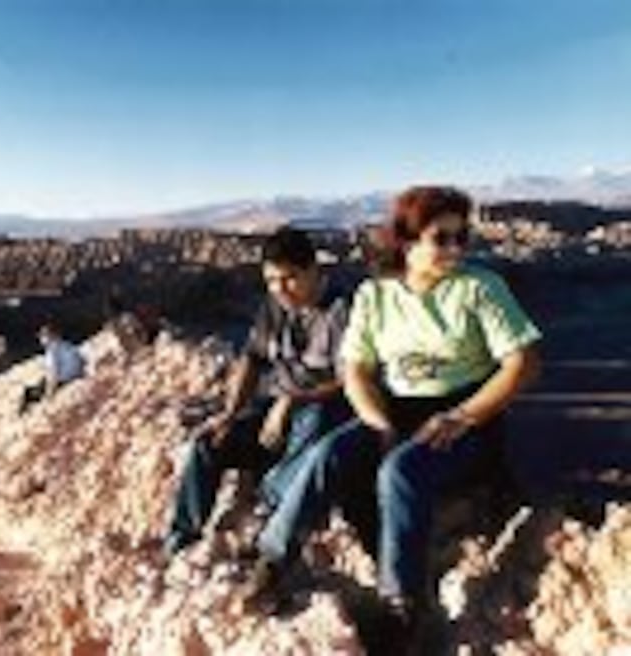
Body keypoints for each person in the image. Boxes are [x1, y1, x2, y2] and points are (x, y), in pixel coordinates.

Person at [283, 186, 541, 642]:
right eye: (442, 239)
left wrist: (461, 417)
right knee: (328, 453)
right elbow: (355, 368)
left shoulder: (479, 287)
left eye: (463, 238)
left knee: (401, 470)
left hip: (466, 414)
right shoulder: (374, 296)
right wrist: (378, 422)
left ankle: (402, 606)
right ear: (406, 241)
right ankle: (273, 559)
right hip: (395, 408)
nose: (456, 249)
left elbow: (523, 363)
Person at [163, 226, 352, 605]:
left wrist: (294, 400)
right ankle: (181, 544)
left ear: (314, 270)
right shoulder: (274, 308)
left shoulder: (342, 309)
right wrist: (230, 415)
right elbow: (252, 359)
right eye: (271, 280)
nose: (280, 288)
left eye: (290, 278)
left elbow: (354, 381)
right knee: (207, 444)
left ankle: (270, 511)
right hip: (278, 412)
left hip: (325, 410)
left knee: (316, 420)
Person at [18, 321, 86, 415]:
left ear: (50, 336)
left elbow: (53, 373)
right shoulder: (67, 345)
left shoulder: (52, 350)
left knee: (29, 391)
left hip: (63, 380)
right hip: (76, 374)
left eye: (42, 337)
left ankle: (23, 414)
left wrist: (49, 395)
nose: (41, 340)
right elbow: (82, 360)